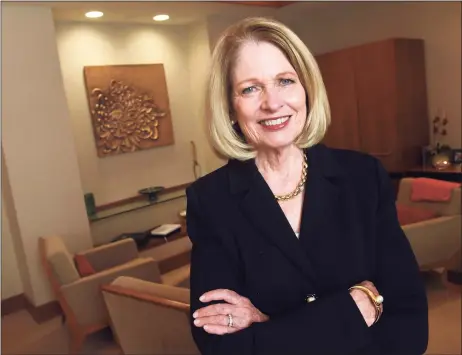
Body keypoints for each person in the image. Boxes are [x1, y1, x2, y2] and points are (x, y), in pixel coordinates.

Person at [186, 17, 428, 355]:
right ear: (229, 106)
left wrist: (267, 323)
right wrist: (352, 311)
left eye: (285, 81)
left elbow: (411, 324)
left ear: (307, 89)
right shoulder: (211, 201)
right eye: (250, 88)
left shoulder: (363, 177)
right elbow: (222, 347)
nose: (272, 103)